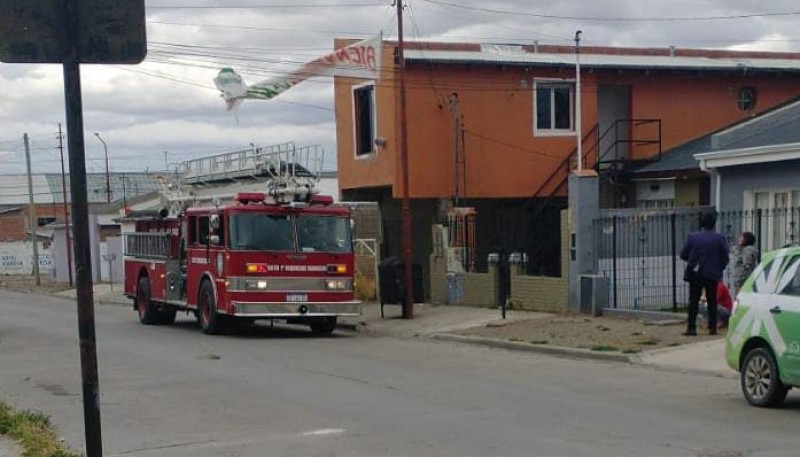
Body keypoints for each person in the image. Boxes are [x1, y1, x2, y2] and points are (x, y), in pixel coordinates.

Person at [680, 212, 730, 336]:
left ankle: (691, 327)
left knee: (693, 301)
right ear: (713, 224)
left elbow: (683, 254)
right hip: (712, 273)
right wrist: (719, 267)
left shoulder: (693, 237)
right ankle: (712, 327)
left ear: (702, 223)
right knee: (712, 300)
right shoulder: (719, 238)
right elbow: (725, 257)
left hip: (696, 273)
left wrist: (692, 261)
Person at [731, 231, 758, 297]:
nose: (739, 239)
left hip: (743, 280)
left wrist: (739, 280)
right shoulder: (743, 249)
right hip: (740, 280)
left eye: (741, 237)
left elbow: (746, 266)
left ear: (746, 239)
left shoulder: (748, 250)